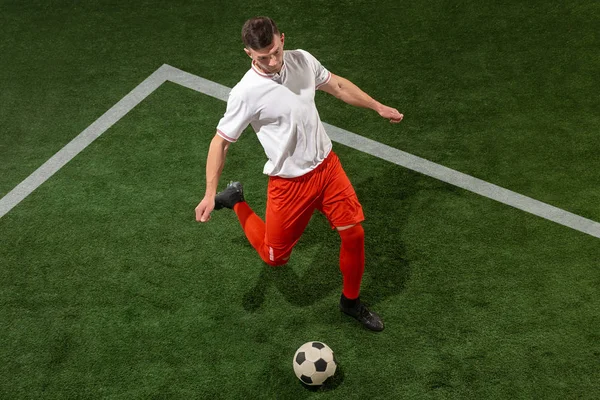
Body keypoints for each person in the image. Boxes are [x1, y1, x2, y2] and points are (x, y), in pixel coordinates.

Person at [195, 16, 403, 332]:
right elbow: (220, 142)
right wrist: (210, 193)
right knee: (273, 258)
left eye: (276, 51)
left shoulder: (302, 60)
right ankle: (235, 199)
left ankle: (351, 302)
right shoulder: (246, 93)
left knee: (354, 234)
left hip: (327, 167)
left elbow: (337, 85)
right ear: (249, 53)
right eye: (262, 57)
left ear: (282, 38)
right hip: (289, 184)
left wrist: (378, 107)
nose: (272, 61)